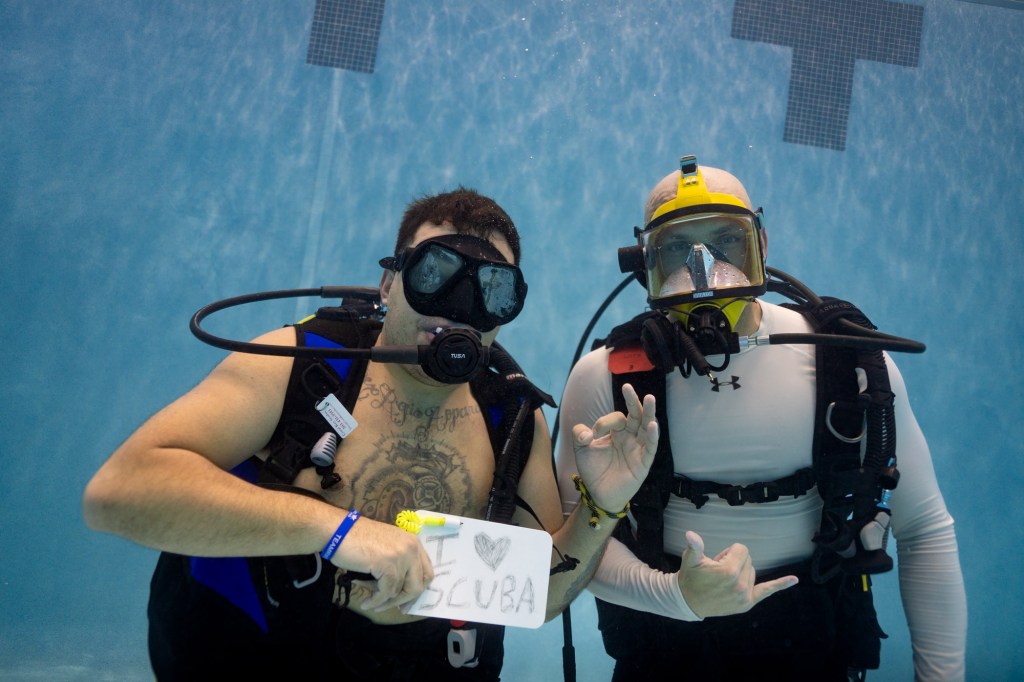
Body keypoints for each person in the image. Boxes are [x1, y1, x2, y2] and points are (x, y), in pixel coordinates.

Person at [83, 187, 665, 680]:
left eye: (491, 289)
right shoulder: (298, 365)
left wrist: (603, 506)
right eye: (435, 274)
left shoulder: (511, 416)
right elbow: (118, 491)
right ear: (389, 284)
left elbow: (538, 594)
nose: (458, 308)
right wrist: (336, 530)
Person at [555, 156, 967, 681]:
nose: (704, 270)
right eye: (677, 249)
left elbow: (924, 529)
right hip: (662, 646)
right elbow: (571, 545)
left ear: (761, 246)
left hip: (814, 642)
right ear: (646, 264)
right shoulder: (606, 376)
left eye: (727, 242)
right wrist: (674, 595)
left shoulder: (850, 364)